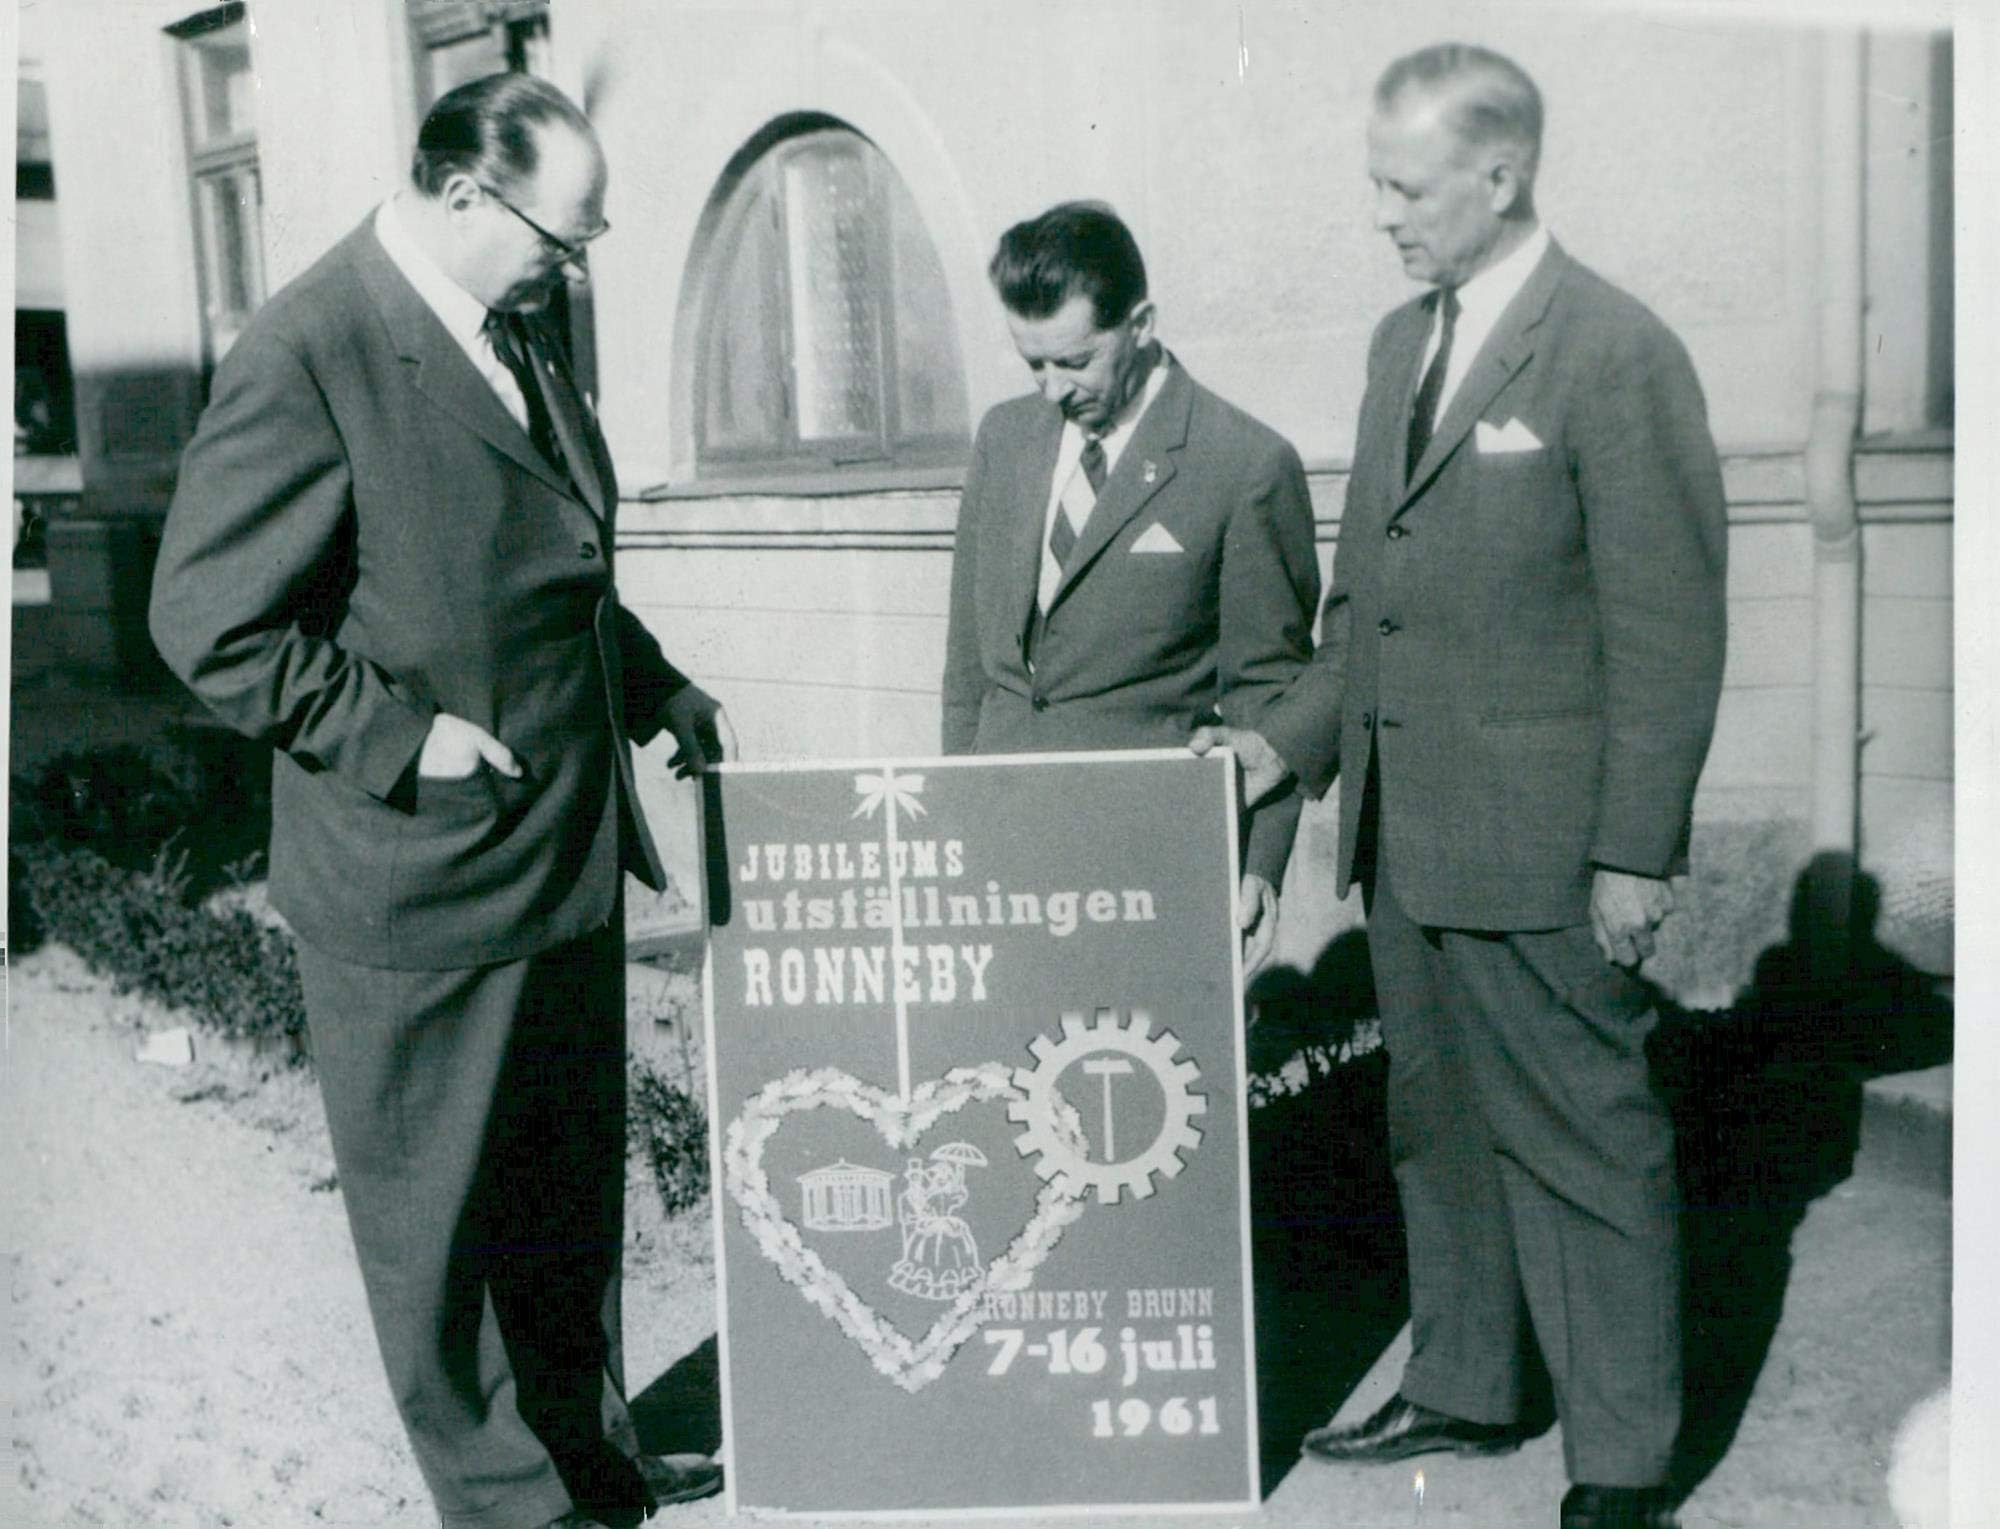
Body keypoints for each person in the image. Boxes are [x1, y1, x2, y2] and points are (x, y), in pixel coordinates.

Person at [149, 73, 728, 1529]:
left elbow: (545, 562)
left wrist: (655, 686)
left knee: (559, 1204)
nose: (575, 265)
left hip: (559, 858)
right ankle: (507, 1505)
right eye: (563, 235)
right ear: (466, 195)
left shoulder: (510, 326)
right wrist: (400, 742)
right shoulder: (310, 347)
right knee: (440, 1238)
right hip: (418, 876)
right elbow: (208, 619)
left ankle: (590, 1464)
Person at [1197, 44, 1727, 1529]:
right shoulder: (1396, 345)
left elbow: (1670, 626)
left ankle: (1621, 1461)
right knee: (1436, 1127)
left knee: (1584, 1139)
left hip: (1548, 847)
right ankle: (1468, 1381)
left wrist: (1636, 852)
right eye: (1375, 181)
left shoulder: (1615, 351)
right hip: (1407, 835)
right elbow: (1363, 603)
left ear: (1500, 176)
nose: (1382, 213)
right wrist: (1285, 743)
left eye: (1406, 185)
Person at [942, 201, 1319, 971]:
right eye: (1032, 364)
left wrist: (1259, 868)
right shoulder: (1004, 438)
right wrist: (957, 816)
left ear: (1140, 324)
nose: (1051, 389)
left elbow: (1268, 692)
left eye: (1075, 361)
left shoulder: (1243, 463)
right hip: (999, 845)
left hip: (1149, 857)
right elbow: (968, 668)